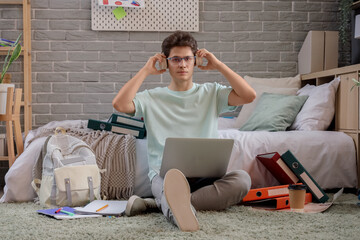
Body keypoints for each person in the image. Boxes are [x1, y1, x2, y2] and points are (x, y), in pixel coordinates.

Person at [112, 31, 256, 232]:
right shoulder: (152, 97)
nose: (182, 64)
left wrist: (219, 66)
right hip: (167, 177)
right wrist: (145, 70)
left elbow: (249, 96)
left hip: (206, 177)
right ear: (166, 62)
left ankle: (162, 204)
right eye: (176, 59)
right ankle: (172, 202)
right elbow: (119, 104)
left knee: (242, 180)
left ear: (195, 61)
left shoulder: (211, 92)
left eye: (188, 58)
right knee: (168, 186)